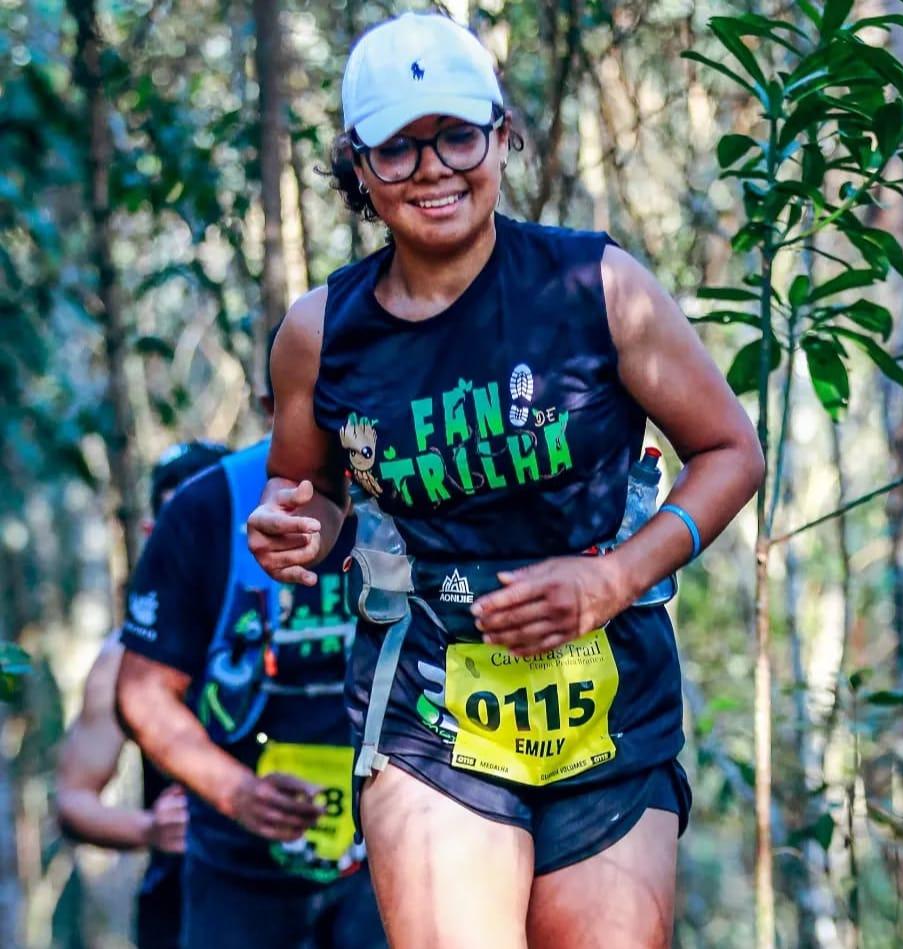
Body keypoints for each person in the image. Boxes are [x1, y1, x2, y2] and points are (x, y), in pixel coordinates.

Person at [248, 11, 764, 949]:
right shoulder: (320, 333)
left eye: (454, 135)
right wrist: (300, 533)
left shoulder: (596, 285)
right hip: (430, 705)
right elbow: (313, 508)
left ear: (500, 135)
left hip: (609, 708)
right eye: (397, 149)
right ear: (358, 169)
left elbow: (732, 451)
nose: (434, 169)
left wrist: (613, 578)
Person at [115, 386, 386, 949]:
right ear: (273, 405)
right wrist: (237, 792)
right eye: (319, 400)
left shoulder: (427, 482)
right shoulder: (205, 508)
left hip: (394, 847)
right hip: (238, 863)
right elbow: (144, 693)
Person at [57, 440, 229, 949]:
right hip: (178, 911)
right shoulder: (122, 657)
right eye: (184, 521)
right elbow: (72, 800)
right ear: (156, 532)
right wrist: (149, 828)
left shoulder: (305, 626)